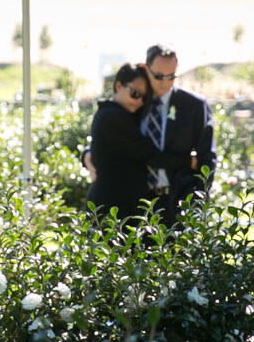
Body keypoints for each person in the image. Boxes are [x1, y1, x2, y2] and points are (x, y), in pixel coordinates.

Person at [86, 63, 195, 222]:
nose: (139, 102)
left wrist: (86, 154)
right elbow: (149, 155)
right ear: (118, 86)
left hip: (119, 206)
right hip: (111, 208)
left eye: (145, 98)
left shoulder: (121, 114)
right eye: (135, 94)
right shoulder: (112, 116)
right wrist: (190, 161)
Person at [142, 43, 214, 226]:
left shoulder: (194, 106)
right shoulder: (134, 101)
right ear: (146, 69)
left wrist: (197, 202)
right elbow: (106, 134)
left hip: (178, 203)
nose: (165, 83)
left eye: (171, 76)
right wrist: (87, 155)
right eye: (158, 76)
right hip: (136, 202)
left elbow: (207, 158)